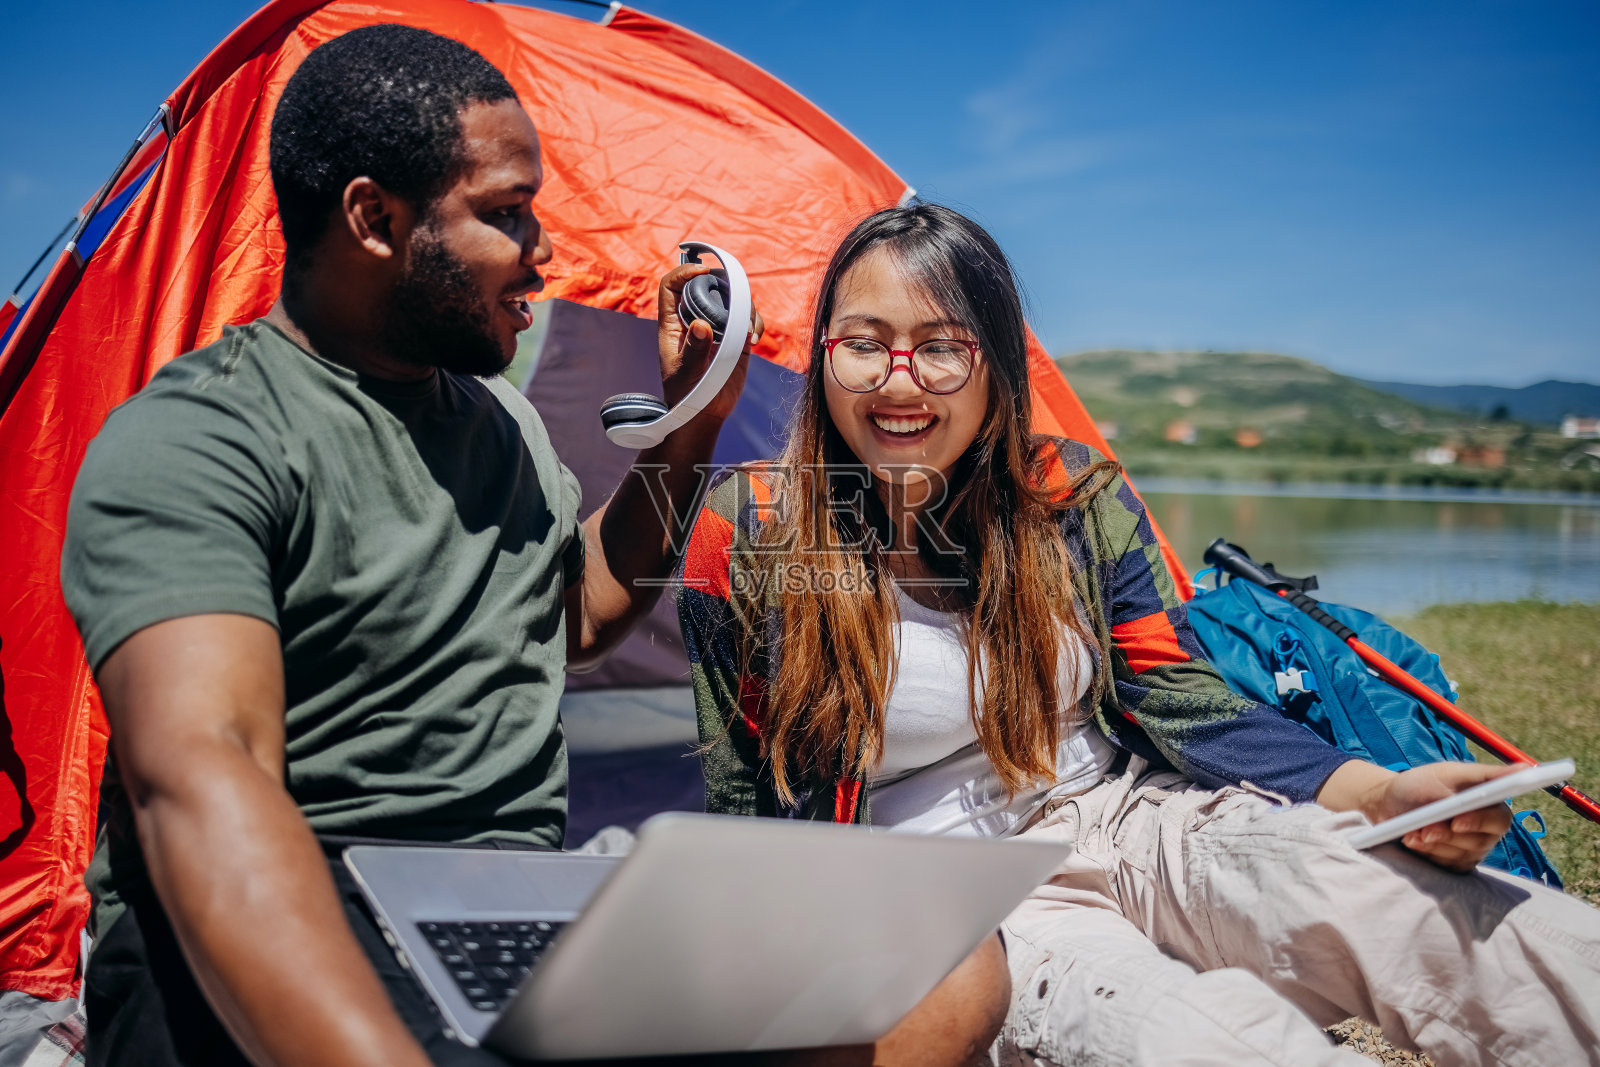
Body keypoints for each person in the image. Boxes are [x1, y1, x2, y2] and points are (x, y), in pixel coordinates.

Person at [59, 27, 1003, 1067]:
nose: (542, 249)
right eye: (506, 213)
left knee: (945, 973)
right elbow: (203, 779)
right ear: (375, 219)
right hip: (285, 915)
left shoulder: (490, 421)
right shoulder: (200, 436)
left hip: (500, 908)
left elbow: (582, 609)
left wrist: (693, 423)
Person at [677, 202, 1600, 1066]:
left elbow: (1182, 695)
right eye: (864, 346)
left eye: (942, 348)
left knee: (1449, 921)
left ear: (996, 365)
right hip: (968, 895)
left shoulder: (1070, 493)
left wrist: (1382, 793)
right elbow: (751, 802)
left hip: (1138, 816)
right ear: (823, 359)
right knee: (1215, 1041)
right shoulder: (751, 530)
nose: (899, 379)